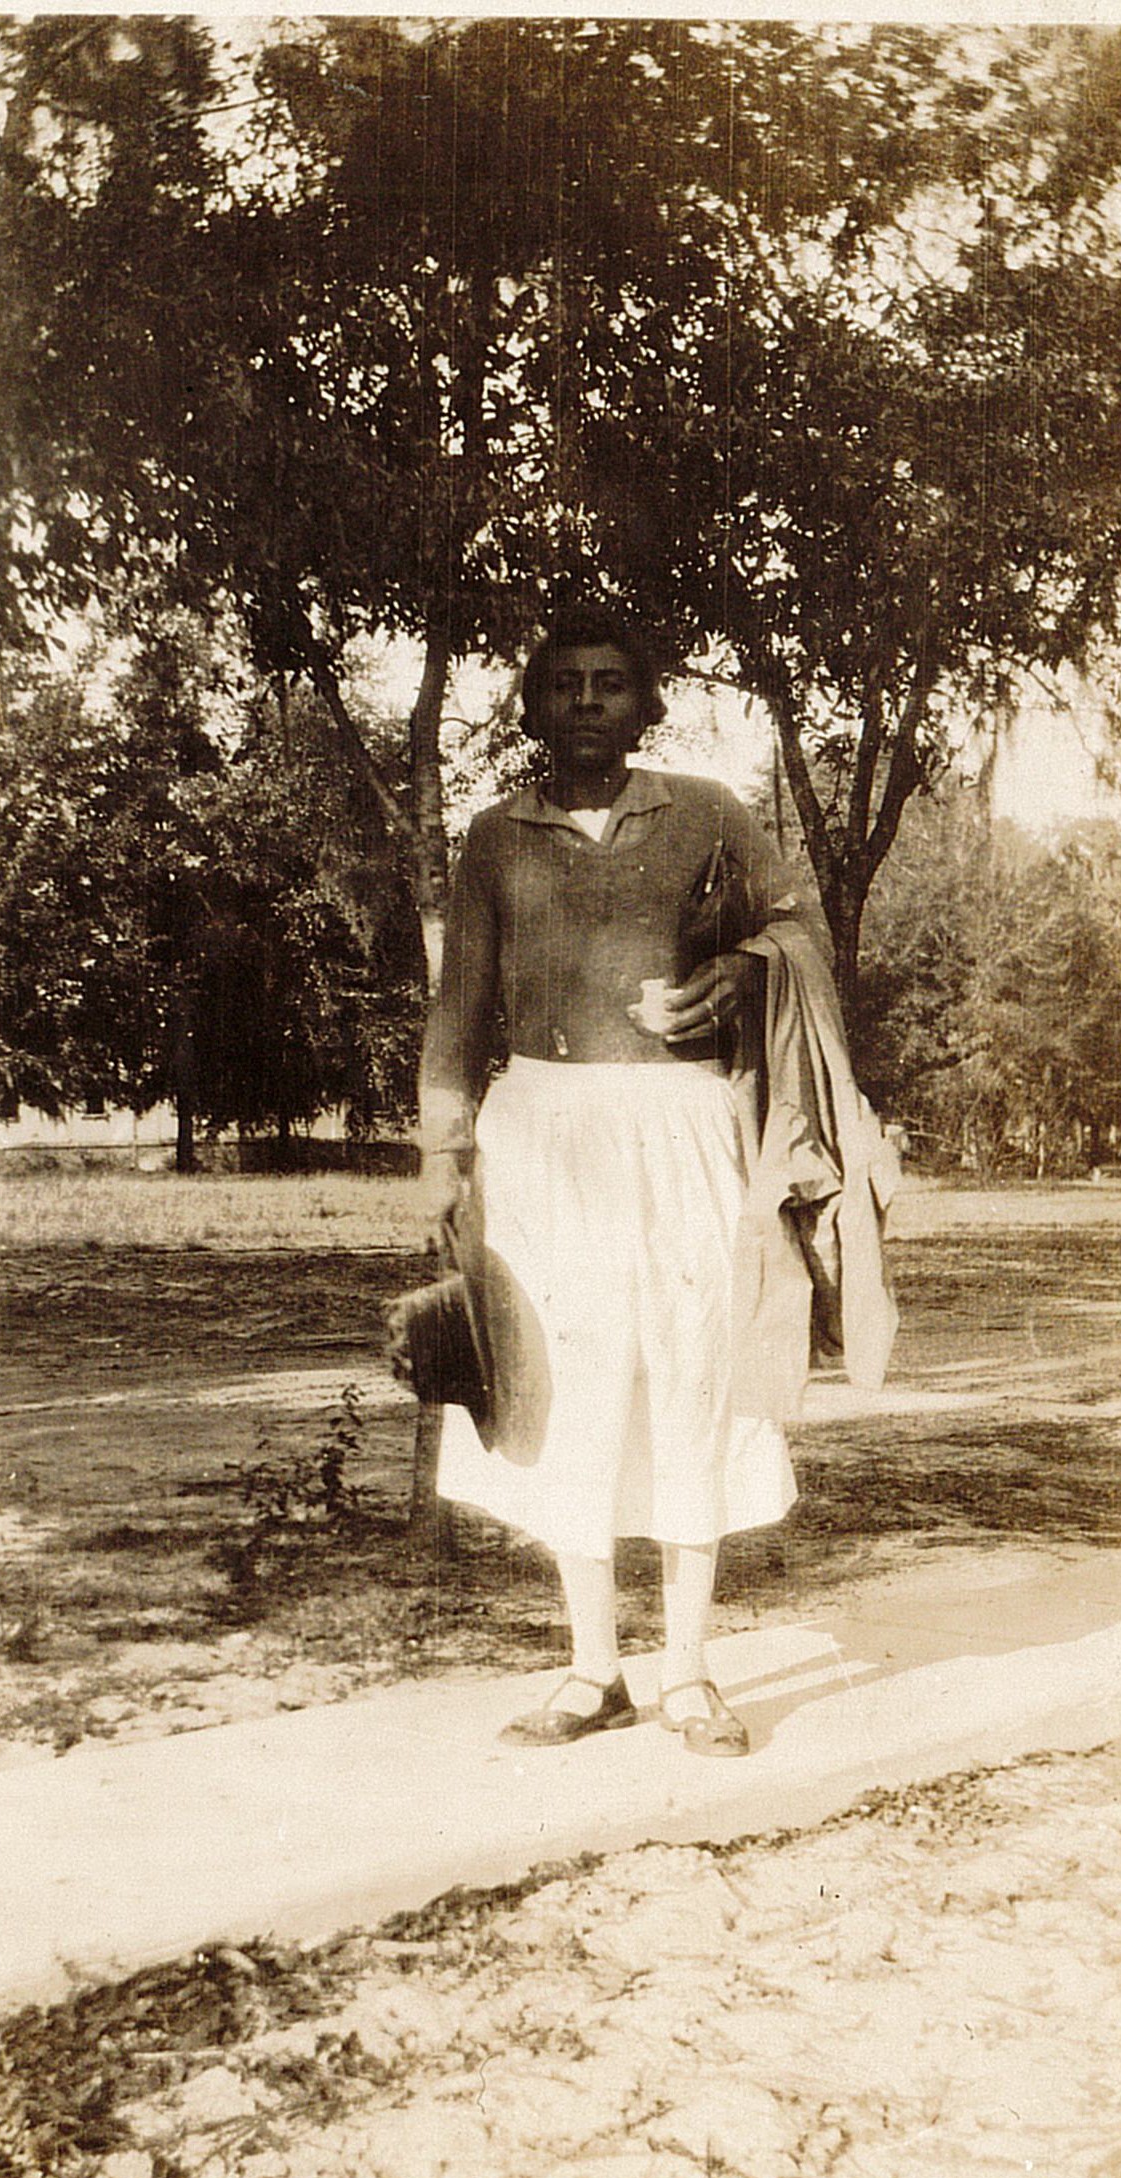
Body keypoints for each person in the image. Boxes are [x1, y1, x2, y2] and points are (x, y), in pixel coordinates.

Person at [417, 605, 833, 1757]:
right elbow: (457, 1009)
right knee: (568, 1384)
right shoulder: (497, 839)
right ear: (533, 708)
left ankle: (689, 1675)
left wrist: (740, 980)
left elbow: (799, 932)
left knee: (691, 1368)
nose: (589, 702)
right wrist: (443, 1145)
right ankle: (591, 1668)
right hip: (541, 1133)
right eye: (565, 685)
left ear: (647, 704)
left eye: (611, 683)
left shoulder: (706, 816)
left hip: (684, 1128)